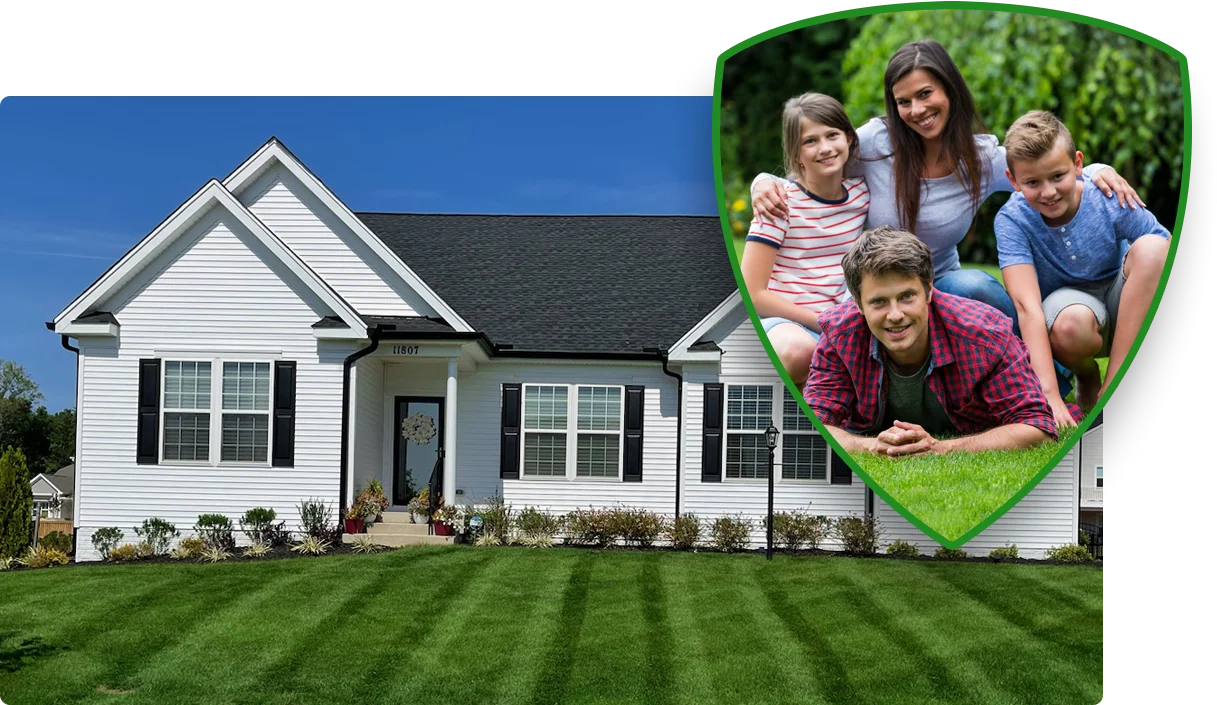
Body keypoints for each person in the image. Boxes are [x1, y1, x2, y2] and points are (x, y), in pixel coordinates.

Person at [750, 39, 1143, 338]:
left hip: (941, 284)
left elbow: (1042, 165)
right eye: (904, 102)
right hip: (878, 288)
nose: (917, 110)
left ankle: (1051, 376)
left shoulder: (981, 159)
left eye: (925, 94)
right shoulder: (873, 144)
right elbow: (819, 165)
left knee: (975, 284)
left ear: (949, 90)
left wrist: (1094, 169)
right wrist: (763, 182)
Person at [804, 225, 1067, 457]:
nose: (895, 315)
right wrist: (871, 446)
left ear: (929, 290)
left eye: (907, 296)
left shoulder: (983, 334)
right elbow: (813, 426)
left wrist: (942, 448)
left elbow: (1037, 427)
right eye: (879, 301)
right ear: (858, 303)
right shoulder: (840, 336)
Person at [996, 110, 1170, 423]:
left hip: (1125, 297)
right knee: (1069, 328)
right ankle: (1086, 375)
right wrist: (1047, 393)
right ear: (1013, 181)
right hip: (1071, 309)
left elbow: (1163, 251)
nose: (1048, 192)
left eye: (1057, 176)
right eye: (1033, 182)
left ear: (1078, 164)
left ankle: (1113, 385)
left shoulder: (1107, 194)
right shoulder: (1012, 221)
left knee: (1154, 249)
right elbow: (1027, 307)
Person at [742, 93, 870, 386]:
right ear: (795, 153)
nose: (825, 148)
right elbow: (752, 294)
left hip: (840, 321)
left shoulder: (861, 195)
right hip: (782, 323)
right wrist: (822, 321)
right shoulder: (778, 204)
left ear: (849, 138)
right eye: (810, 141)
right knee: (800, 352)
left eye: (832, 135)